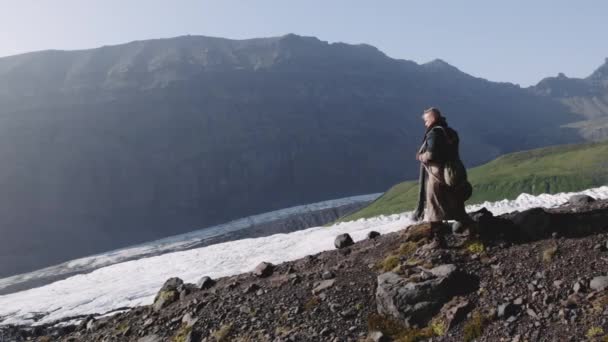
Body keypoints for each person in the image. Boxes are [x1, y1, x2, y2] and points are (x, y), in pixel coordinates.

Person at [411, 107, 473, 245]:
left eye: (426, 121)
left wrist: (420, 156)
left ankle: (438, 240)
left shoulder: (434, 133)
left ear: (432, 119)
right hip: (452, 172)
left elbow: (432, 154)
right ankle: (471, 231)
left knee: (434, 205)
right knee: (455, 202)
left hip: (437, 174)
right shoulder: (451, 132)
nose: (425, 124)